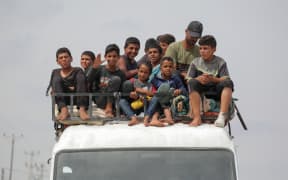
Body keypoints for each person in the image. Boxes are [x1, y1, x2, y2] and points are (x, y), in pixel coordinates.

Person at [186, 35, 234, 127]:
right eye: (200, 48)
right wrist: (198, 79)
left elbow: (225, 78)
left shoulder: (220, 62)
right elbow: (188, 79)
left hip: (216, 90)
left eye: (205, 48)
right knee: (192, 82)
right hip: (202, 92)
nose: (202, 51)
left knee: (228, 83)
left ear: (213, 49)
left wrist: (214, 79)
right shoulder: (195, 62)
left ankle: (222, 116)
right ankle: (197, 117)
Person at [145, 56, 188, 127]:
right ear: (161, 68)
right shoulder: (155, 79)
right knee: (157, 98)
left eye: (170, 66)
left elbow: (184, 90)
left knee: (167, 98)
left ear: (173, 68)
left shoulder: (175, 78)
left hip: (170, 102)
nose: (168, 68)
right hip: (156, 103)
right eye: (165, 66)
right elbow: (151, 90)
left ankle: (161, 118)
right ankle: (149, 118)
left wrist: (179, 90)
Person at [50, 47, 90, 121]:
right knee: (57, 79)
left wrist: (72, 87)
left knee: (81, 78)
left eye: (66, 57)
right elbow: (53, 88)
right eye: (61, 58)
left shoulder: (77, 70)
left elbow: (81, 84)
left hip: (76, 98)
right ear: (57, 61)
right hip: (63, 99)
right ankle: (63, 110)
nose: (64, 59)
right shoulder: (55, 72)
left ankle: (82, 109)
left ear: (71, 59)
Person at [87, 44, 126, 117]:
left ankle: (113, 108)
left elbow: (121, 90)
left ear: (118, 57)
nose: (112, 59)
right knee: (115, 79)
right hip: (101, 98)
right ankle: (109, 108)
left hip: (114, 100)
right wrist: (94, 68)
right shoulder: (100, 69)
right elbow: (87, 80)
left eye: (114, 56)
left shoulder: (121, 73)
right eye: (109, 56)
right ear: (105, 57)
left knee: (117, 80)